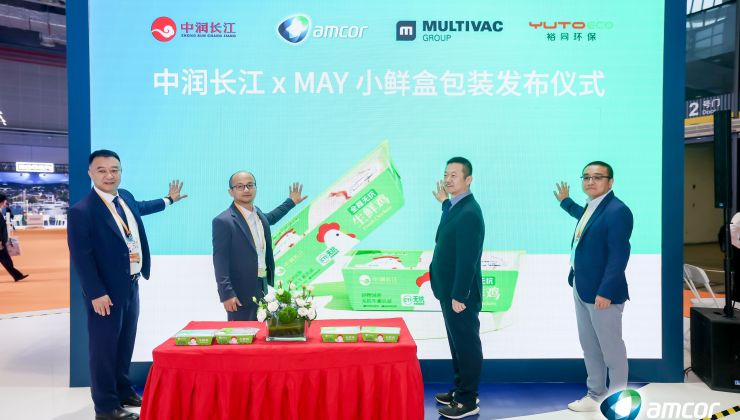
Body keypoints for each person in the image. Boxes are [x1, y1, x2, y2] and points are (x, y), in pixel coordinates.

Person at [67, 149, 187, 420]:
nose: (109, 175)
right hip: (105, 294)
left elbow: (141, 208)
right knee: (103, 350)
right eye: (102, 170)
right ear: (90, 173)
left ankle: (122, 391)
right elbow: (81, 258)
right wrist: (96, 293)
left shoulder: (125, 197)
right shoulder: (82, 211)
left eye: (114, 170)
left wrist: (169, 200)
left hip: (131, 285)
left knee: (124, 344)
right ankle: (106, 407)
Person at [553, 161, 633, 412]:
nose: (591, 181)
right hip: (582, 286)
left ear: (610, 182)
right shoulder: (593, 206)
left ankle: (618, 401)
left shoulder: (618, 211)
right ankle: (596, 395)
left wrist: (605, 291)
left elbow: (619, 256)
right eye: (586, 177)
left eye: (598, 177)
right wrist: (566, 202)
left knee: (612, 351)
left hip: (602, 294)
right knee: (590, 346)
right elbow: (585, 219)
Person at [430, 157, 485, 419]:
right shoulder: (456, 206)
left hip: (459, 294)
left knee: (466, 345)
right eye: (446, 174)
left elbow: (468, 259)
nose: (448, 179)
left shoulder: (470, 213)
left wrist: (460, 294)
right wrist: (444, 203)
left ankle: (467, 400)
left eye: (454, 175)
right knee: (457, 344)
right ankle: (460, 389)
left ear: (468, 179)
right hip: (449, 290)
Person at [212, 171, 306, 321]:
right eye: (240, 186)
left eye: (250, 185)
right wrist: (226, 294)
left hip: (262, 284)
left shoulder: (258, 214)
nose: (246, 190)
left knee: (264, 329)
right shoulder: (223, 221)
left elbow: (271, 218)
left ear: (255, 188)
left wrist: (291, 202)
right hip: (240, 291)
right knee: (243, 332)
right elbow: (220, 260)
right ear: (231, 192)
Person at [0, 193, 27, 282]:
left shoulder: (1, 211)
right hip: (0, 241)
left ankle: (17, 275)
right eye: (5, 201)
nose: (6, 203)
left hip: (2, 241)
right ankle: (17, 275)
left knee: (6, 259)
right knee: (5, 259)